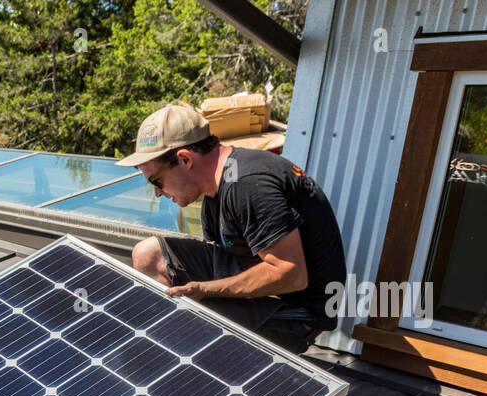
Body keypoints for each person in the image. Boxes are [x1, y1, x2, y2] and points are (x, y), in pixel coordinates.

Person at [118, 104, 347, 353]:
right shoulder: (215, 191)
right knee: (148, 254)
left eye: (156, 180)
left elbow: (291, 274)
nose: (157, 192)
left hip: (295, 315)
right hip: (268, 294)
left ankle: (195, 368)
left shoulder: (247, 185)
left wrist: (205, 290)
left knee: (187, 316)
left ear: (184, 159)